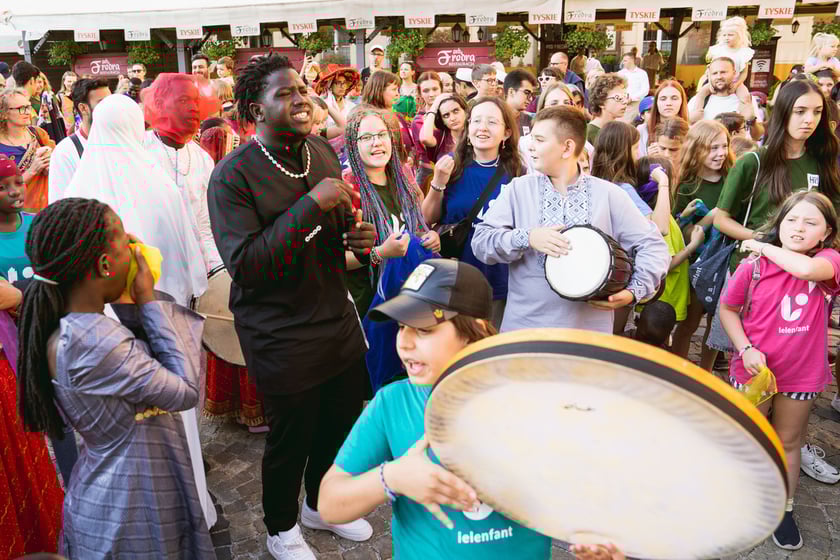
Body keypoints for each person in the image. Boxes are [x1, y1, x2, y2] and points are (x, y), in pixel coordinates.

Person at [207, 54, 378, 560]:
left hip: (334, 315)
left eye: (302, 88)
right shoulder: (231, 177)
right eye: (285, 93)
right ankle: (281, 526)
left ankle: (321, 507)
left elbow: (336, 228)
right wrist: (311, 206)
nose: (301, 99)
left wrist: (356, 235)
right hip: (279, 329)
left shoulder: (321, 151)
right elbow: (249, 266)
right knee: (292, 435)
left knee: (341, 420)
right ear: (255, 110)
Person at [16, 197, 215, 558]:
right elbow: (184, 389)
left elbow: (139, 368)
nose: (137, 250)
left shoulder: (78, 329)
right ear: (106, 264)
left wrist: (127, 301)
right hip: (129, 508)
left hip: (119, 486)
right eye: (127, 242)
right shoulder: (95, 342)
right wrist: (147, 300)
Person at [318, 258, 553, 559]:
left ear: (474, 331)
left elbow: (582, 493)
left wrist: (597, 538)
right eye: (402, 327)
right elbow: (329, 503)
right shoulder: (392, 403)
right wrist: (393, 477)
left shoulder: (530, 401)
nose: (404, 343)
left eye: (424, 330)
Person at [59, 93, 217, 529]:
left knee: (116, 433)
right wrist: (178, 300)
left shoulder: (79, 191)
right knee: (174, 414)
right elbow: (188, 257)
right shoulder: (160, 183)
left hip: (101, 329)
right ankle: (190, 507)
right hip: (160, 316)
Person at [471, 106, 670, 333]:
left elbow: (653, 245)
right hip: (524, 331)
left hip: (588, 335)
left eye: (539, 139)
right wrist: (527, 237)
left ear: (567, 147)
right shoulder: (518, 189)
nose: (530, 146)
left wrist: (633, 291)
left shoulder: (609, 194)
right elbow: (481, 242)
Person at [720, 191, 840, 550]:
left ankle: (782, 509)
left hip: (801, 375)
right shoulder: (753, 268)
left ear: (827, 233)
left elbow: (804, 268)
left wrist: (760, 244)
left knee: (787, 441)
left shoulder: (828, 262)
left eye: (810, 222)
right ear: (780, 222)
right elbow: (728, 310)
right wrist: (746, 348)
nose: (799, 228)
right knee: (750, 438)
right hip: (753, 372)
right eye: (791, 219)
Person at [0, 156, 64, 557]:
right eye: (4, 186)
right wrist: (24, 302)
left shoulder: (37, 223)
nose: (14, 192)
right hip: (13, 343)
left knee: (62, 418)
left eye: (17, 184)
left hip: (47, 335)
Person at [421, 97, 522, 324]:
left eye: (491, 122)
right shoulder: (450, 164)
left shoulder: (517, 171)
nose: (482, 127)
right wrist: (438, 181)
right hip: (456, 278)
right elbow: (427, 218)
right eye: (476, 121)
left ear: (506, 132)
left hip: (501, 280)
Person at [670, 120, 735, 366]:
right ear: (696, 149)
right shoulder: (687, 185)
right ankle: (679, 373)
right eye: (712, 148)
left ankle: (706, 372)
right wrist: (709, 217)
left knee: (716, 322)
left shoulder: (732, 178)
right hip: (698, 263)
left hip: (725, 259)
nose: (720, 153)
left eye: (723, 146)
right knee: (690, 322)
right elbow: (678, 230)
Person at [142, 74, 222, 273]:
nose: (193, 108)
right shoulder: (139, 150)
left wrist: (216, 268)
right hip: (150, 269)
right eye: (183, 100)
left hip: (195, 269)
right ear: (160, 104)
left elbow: (204, 224)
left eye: (196, 101)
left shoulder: (202, 159)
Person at [48, 78, 111, 202]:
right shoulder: (65, 151)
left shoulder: (121, 142)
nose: (110, 107)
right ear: (83, 108)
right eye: (102, 103)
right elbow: (59, 206)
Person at [0, 87, 54, 212]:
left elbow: (58, 170)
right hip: (15, 216)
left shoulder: (39, 134)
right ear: (3, 113)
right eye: (20, 108)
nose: (27, 112)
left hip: (47, 210)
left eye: (28, 107)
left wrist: (51, 165)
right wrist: (31, 171)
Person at [689, 57, 764, 140]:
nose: (719, 76)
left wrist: (752, 121)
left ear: (734, 73)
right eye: (714, 73)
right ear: (709, 76)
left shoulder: (746, 99)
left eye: (723, 72)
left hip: (738, 152)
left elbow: (758, 136)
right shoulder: (697, 101)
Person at [519, 82, 581, 173]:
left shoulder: (581, 143)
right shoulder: (525, 144)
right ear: (542, 108)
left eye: (566, 102)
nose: (561, 107)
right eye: (554, 103)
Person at [362, 70, 412, 161]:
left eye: (398, 90)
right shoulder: (368, 119)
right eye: (393, 89)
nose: (398, 94)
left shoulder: (398, 116)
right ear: (379, 90)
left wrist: (410, 157)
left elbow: (411, 144)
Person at [706, 16, 754, 97]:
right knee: (701, 94)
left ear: (739, 35)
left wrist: (736, 84)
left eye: (730, 35)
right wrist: (710, 83)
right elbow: (709, 69)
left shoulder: (744, 52)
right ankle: (697, 108)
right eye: (724, 35)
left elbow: (744, 73)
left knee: (745, 97)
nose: (726, 38)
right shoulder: (718, 50)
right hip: (715, 81)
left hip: (735, 82)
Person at [411, 71, 444, 191]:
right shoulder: (418, 121)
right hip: (428, 175)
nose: (431, 94)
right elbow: (431, 146)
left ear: (441, 89)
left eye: (435, 89)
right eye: (426, 90)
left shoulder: (451, 114)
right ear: (420, 93)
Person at [638, 79, 689, 156]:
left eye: (674, 98)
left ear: (682, 102)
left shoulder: (691, 131)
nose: (668, 103)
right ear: (656, 103)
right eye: (663, 99)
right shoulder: (642, 130)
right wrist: (648, 158)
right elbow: (635, 163)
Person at [586, 74, 628, 145]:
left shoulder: (617, 130)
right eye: (618, 98)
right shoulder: (590, 133)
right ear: (601, 102)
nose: (625, 102)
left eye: (625, 97)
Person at [316, 65, 360, 130]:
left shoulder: (352, 106)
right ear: (330, 85)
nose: (342, 86)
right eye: (338, 83)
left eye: (344, 83)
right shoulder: (323, 104)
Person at [617, 52, 650, 123]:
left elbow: (645, 90)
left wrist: (632, 98)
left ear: (631, 60)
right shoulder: (620, 73)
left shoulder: (642, 73)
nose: (623, 63)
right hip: (622, 103)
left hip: (636, 105)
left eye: (625, 60)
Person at [503, 69, 537, 137]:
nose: (530, 99)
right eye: (527, 93)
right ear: (511, 92)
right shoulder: (495, 118)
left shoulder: (530, 121)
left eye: (532, 95)